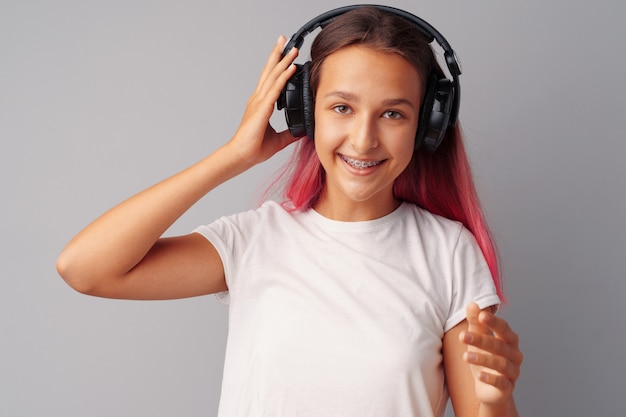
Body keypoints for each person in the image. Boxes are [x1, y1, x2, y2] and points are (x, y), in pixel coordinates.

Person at [56, 5, 522, 417]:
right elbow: (85, 268)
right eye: (341, 107)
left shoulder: (447, 252)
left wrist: (497, 401)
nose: (363, 139)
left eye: (393, 114)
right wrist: (233, 156)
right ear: (304, 112)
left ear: (428, 125)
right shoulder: (254, 241)